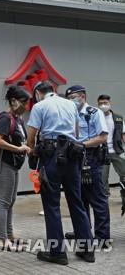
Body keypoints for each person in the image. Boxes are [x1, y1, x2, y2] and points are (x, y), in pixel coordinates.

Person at [26, 82, 94, 265]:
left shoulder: (39, 106)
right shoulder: (71, 104)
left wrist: (32, 151)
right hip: (73, 154)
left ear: (39, 93)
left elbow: (31, 136)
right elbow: (77, 132)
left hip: (51, 156)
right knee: (76, 201)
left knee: (51, 204)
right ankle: (87, 250)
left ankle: (57, 253)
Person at [64, 86, 110, 246]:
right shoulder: (70, 112)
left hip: (90, 158)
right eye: (69, 98)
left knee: (97, 198)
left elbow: (103, 137)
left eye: (74, 97)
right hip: (74, 158)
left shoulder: (94, 113)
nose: (71, 101)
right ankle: (83, 232)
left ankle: (102, 237)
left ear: (82, 96)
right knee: (80, 198)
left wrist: (82, 145)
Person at [0, 86, 31, 251]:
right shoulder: (6, 118)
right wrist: (18, 149)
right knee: (4, 202)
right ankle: (2, 239)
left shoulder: (19, 119)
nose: (26, 106)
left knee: (11, 201)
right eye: (23, 102)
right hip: (4, 165)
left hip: (13, 165)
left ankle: (10, 235)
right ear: (13, 101)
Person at [97, 94, 125, 196]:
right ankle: (104, 197)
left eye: (105, 103)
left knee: (124, 173)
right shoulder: (96, 117)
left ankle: (124, 194)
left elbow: (123, 134)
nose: (103, 105)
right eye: (101, 103)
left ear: (110, 103)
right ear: (97, 104)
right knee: (102, 177)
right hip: (102, 152)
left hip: (117, 151)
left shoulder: (118, 118)